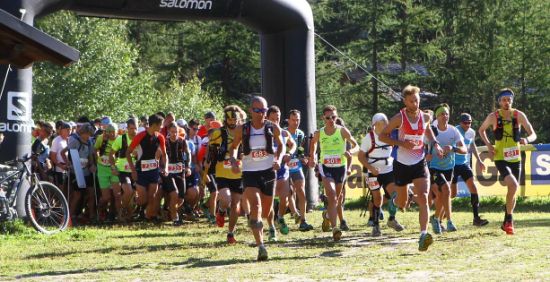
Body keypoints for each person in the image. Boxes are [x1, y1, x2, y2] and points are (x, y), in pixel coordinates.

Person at [379, 85, 441, 251]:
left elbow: (427, 131)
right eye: (412, 101)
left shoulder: (425, 117)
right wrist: (402, 143)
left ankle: (423, 235)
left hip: (419, 162)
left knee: (424, 197)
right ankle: (394, 201)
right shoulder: (399, 118)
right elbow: (382, 136)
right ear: (405, 101)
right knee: (402, 203)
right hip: (401, 164)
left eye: (417, 100)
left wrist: (435, 144)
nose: (415, 103)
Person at [228, 96, 285, 261]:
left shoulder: (272, 127)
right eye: (258, 110)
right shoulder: (242, 129)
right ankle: (261, 246)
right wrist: (233, 160)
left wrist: (278, 159)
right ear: (251, 111)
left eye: (264, 110)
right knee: (256, 206)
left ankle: (257, 222)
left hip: (268, 171)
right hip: (250, 172)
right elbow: (234, 148)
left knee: (266, 212)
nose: (261, 114)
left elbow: (280, 145)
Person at [478, 88, 537, 235]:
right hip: (500, 157)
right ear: (499, 102)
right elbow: (481, 130)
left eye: (509, 99)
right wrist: (489, 145)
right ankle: (510, 220)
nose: (507, 102)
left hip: (515, 158)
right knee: (513, 184)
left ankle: (506, 222)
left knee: (513, 190)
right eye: (504, 99)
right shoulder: (493, 116)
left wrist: (527, 139)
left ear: (512, 101)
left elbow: (533, 133)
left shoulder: (518, 115)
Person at [308, 105, 358, 242]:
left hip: (340, 167)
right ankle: (335, 228)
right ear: (323, 118)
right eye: (328, 117)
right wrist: (312, 157)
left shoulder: (342, 131)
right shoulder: (320, 132)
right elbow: (313, 144)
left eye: (334, 117)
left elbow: (356, 145)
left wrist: (351, 152)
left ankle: (328, 216)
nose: (331, 120)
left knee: (337, 199)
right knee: (331, 194)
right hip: (326, 167)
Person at [358, 113, 405, 237]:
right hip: (373, 172)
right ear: (375, 124)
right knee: (377, 199)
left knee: (394, 194)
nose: (384, 125)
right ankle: (376, 225)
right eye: (381, 123)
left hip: (389, 169)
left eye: (385, 122)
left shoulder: (390, 134)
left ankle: (392, 219)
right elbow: (361, 156)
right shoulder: (369, 138)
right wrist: (371, 168)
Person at [207, 105, 245, 244]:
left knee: (236, 205)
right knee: (226, 198)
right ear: (226, 119)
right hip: (222, 170)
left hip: (238, 171)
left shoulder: (244, 132)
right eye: (229, 119)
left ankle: (231, 233)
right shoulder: (218, 133)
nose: (232, 122)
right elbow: (210, 149)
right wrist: (208, 162)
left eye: (234, 119)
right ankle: (221, 210)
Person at [428, 104, 467, 234]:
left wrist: (453, 149)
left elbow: (464, 149)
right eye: (441, 114)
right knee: (446, 190)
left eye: (446, 114)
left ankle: (435, 218)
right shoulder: (432, 131)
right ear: (437, 117)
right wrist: (430, 153)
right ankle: (449, 221)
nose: (445, 116)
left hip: (449, 167)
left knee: (443, 195)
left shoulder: (453, 131)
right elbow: (423, 147)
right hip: (434, 167)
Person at [126, 114, 168, 221]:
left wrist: (166, 167)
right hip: (141, 171)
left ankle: (148, 216)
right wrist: (133, 170)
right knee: (143, 199)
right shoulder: (140, 136)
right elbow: (128, 153)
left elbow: (164, 154)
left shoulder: (160, 137)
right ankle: (135, 206)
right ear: (154, 125)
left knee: (152, 196)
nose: (162, 127)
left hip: (154, 170)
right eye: (161, 125)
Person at [450, 113, 489, 226]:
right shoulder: (454, 131)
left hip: (464, 164)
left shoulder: (471, 132)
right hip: (452, 164)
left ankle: (476, 218)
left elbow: (472, 146)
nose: (468, 125)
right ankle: (440, 217)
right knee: (452, 194)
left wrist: (480, 161)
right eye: (465, 123)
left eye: (470, 122)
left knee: (474, 188)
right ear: (460, 123)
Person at [267, 106, 297, 237]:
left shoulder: (284, 133)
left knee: (285, 198)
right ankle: (271, 228)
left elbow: (293, 144)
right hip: (267, 171)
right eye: (272, 119)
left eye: (277, 118)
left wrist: (290, 153)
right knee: (269, 202)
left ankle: (280, 217)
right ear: (267, 118)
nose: (275, 121)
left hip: (283, 169)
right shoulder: (264, 133)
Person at [61, 123, 97, 224]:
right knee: (77, 195)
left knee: (91, 193)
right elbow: (62, 152)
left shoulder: (89, 142)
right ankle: (69, 217)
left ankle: (91, 216)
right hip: (75, 171)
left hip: (86, 171)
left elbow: (90, 156)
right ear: (82, 133)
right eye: (86, 134)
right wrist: (67, 163)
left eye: (89, 134)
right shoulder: (75, 142)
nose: (87, 136)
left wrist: (92, 165)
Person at [286, 109, 314, 231]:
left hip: (296, 167)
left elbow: (301, 151)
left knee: (301, 191)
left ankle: (303, 220)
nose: (296, 122)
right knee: (289, 192)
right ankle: (294, 212)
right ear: (288, 120)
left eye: (298, 120)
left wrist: (304, 158)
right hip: (285, 167)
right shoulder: (283, 133)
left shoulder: (301, 134)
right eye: (293, 120)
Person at [162, 121, 192, 225]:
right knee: (174, 194)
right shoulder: (165, 142)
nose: (174, 134)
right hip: (169, 172)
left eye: (176, 132)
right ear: (169, 132)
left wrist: (188, 166)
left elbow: (188, 154)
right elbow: (158, 154)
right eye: (172, 132)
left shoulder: (182, 142)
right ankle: (175, 218)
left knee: (181, 198)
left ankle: (169, 209)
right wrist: (161, 166)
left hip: (180, 171)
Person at [109, 118, 138, 222]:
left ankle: (128, 214)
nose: (134, 131)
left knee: (134, 195)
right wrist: (113, 167)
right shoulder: (121, 139)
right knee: (128, 190)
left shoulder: (140, 139)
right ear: (127, 128)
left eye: (135, 128)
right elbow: (111, 154)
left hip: (136, 170)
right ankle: (122, 210)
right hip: (123, 170)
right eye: (131, 128)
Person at [94, 123, 120, 222]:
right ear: (107, 132)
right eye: (110, 132)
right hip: (102, 168)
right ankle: (100, 211)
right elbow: (95, 149)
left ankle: (117, 215)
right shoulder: (101, 138)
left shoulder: (120, 139)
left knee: (117, 195)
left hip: (115, 168)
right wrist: (98, 159)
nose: (112, 134)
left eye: (114, 132)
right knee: (106, 197)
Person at [50, 122, 71, 198]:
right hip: (59, 169)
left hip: (67, 168)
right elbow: (52, 156)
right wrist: (60, 166)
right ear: (61, 130)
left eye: (70, 130)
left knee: (66, 190)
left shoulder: (68, 140)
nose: (69, 132)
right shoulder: (56, 140)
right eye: (67, 130)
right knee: (60, 190)